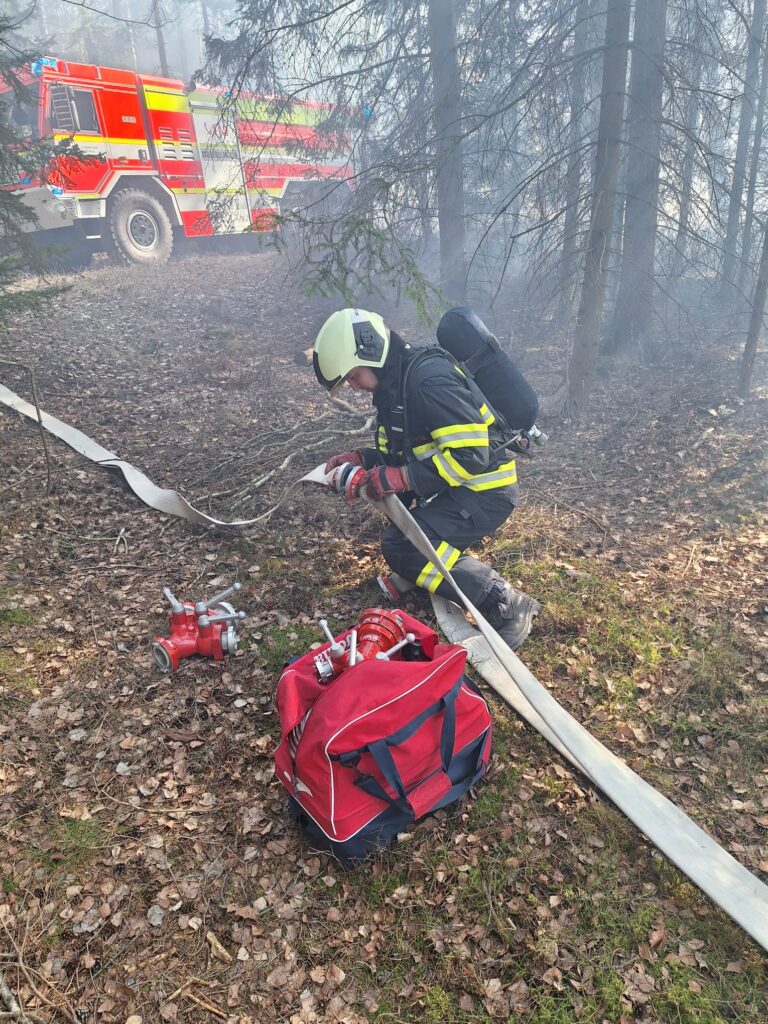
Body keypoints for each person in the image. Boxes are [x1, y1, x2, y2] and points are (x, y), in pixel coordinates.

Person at [313, 307, 540, 649]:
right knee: (405, 527)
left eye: (353, 376)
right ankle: (421, 572)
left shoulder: (427, 381)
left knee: (402, 544)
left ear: (370, 352)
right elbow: (401, 455)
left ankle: (505, 601)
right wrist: (361, 459)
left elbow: (470, 455)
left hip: (486, 490)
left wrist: (401, 478)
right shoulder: (396, 389)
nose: (353, 387)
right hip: (458, 489)